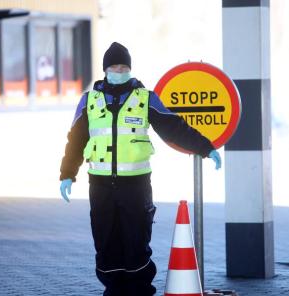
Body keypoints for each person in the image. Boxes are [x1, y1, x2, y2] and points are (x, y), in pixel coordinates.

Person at [59, 42, 221, 296]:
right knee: (105, 243)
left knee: (137, 243)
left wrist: (205, 147)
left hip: (135, 186)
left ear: (130, 69)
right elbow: (75, 141)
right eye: (114, 66)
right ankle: (113, 291)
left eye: (124, 67)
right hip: (100, 186)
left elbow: (174, 126)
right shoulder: (89, 101)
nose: (119, 70)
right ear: (105, 70)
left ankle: (140, 291)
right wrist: (67, 174)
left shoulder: (145, 98)